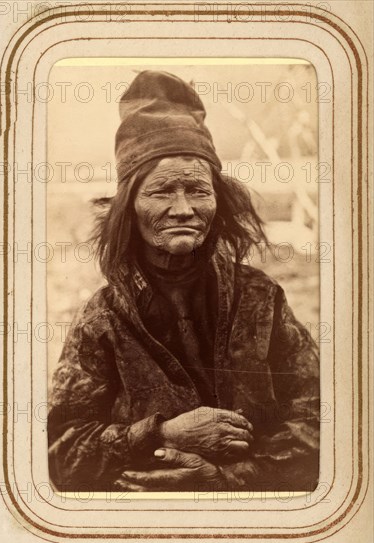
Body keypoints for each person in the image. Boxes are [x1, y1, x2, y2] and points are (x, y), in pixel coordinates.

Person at [48, 71, 319, 493]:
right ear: (128, 209)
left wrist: (227, 479)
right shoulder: (103, 319)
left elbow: (325, 420)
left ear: (219, 199)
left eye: (197, 189)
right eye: (161, 191)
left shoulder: (261, 299)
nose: (182, 208)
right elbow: (59, 453)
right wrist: (158, 435)